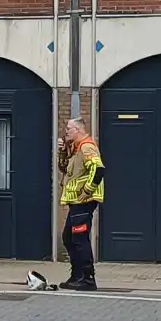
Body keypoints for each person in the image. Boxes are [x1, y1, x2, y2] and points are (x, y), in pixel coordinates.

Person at [58, 118, 105, 291]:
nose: (66, 131)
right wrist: (62, 152)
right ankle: (77, 275)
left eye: (69, 128)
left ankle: (87, 278)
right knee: (68, 238)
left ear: (78, 130)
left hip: (83, 202)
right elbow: (64, 169)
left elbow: (99, 169)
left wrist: (87, 191)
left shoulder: (87, 147)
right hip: (76, 202)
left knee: (79, 239)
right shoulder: (75, 149)